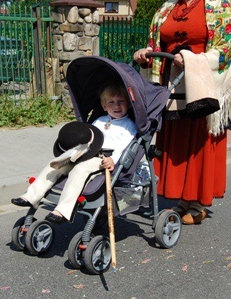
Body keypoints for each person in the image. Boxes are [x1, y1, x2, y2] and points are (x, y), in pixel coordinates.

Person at [133, 0, 231, 225]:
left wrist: (193, 59)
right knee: (177, 141)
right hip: (171, 84)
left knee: (198, 143)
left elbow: (226, 48)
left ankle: (198, 203)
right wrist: (146, 54)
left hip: (201, 83)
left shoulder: (219, 3)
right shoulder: (169, 6)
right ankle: (182, 199)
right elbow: (158, 42)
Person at [11, 84, 137, 224]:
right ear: (104, 106)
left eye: (121, 101)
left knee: (80, 169)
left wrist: (112, 159)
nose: (116, 106)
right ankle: (31, 195)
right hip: (86, 151)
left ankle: (63, 211)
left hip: (102, 158)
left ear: (129, 104)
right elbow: (89, 137)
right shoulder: (99, 121)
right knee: (57, 163)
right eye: (111, 102)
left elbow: (123, 146)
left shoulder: (129, 125)